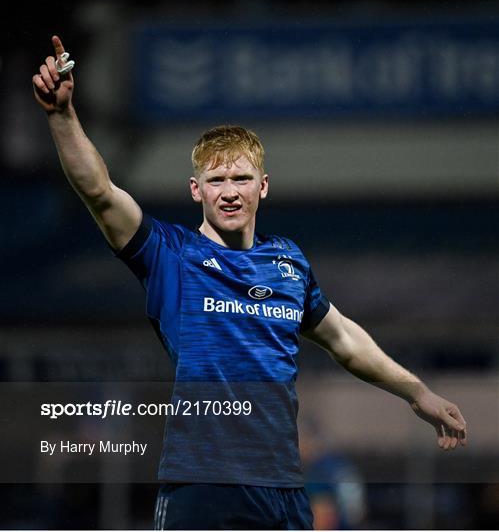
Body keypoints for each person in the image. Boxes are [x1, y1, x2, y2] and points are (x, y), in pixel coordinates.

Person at [33, 35, 468, 530]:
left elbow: (344, 339)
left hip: (281, 488)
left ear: (262, 186)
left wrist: (417, 392)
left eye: (240, 179)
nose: (229, 192)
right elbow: (99, 191)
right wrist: (62, 116)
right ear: (196, 190)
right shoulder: (170, 255)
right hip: (201, 484)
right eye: (216, 182)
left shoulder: (289, 263)